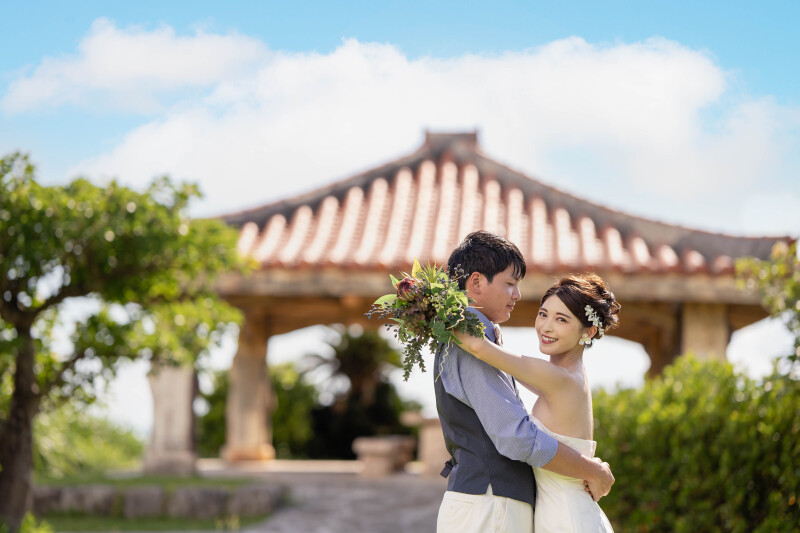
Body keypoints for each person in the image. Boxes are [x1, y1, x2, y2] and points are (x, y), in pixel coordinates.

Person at [435, 231, 614, 533]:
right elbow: (516, 437)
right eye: (510, 283)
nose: (517, 295)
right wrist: (593, 470)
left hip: (560, 513)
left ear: (588, 331)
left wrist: (440, 315)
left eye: (562, 319)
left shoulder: (556, 377)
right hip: (495, 504)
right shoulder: (475, 342)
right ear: (476, 282)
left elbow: (493, 354)